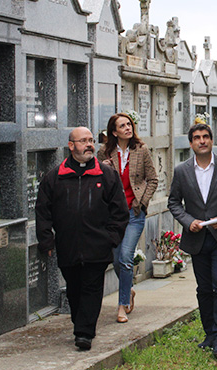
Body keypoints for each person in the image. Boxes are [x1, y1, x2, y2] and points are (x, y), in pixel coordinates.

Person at [36, 127, 129, 351]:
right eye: (83, 141)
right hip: (68, 246)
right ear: (71, 146)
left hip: (97, 246)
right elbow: (43, 211)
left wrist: (112, 238)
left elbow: (120, 211)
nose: (89, 145)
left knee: (92, 287)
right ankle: (81, 322)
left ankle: (84, 332)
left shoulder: (106, 175)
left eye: (91, 140)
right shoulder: (54, 177)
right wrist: (46, 240)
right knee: (74, 289)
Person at [167, 123, 217, 360]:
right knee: (203, 288)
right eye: (197, 138)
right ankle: (210, 334)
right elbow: (174, 202)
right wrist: (187, 220)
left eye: (206, 137)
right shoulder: (182, 171)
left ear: (212, 141)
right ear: (191, 143)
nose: (202, 141)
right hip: (197, 238)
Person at [97, 113, 159, 323]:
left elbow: (153, 179)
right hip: (112, 216)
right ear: (114, 132)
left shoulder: (141, 151)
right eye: (122, 126)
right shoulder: (104, 153)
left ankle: (122, 306)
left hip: (134, 214)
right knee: (116, 259)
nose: (127, 128)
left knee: (125, 256)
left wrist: (142, 203)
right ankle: (129, 290)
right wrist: (102, 169)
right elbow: (94, 182)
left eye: (129, 124)